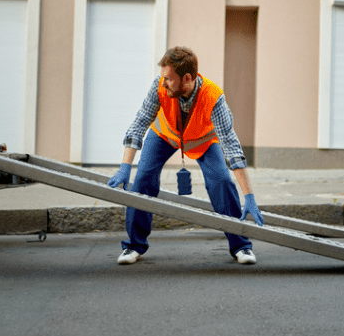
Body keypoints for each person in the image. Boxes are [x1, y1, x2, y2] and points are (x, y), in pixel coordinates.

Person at [107, 46, 264, 265]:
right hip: (164, 135)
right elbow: (140, 121)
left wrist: (249, 196)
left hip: (203, 140)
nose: (164, 83)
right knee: (143, 179)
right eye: (163, 78)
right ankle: (134, 246)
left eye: (169, 79)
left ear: (187, 78)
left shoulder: (214, 97)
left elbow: (232, 147)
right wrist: (125, 165)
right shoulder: (159, 86)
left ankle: (241, 246)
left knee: (222, 181)